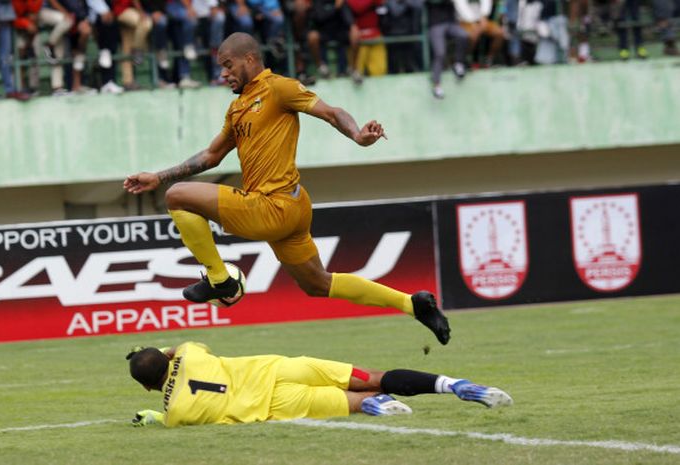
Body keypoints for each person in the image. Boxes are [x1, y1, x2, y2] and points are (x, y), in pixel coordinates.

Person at [123, 32, 451, 346]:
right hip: (292, 207)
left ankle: (220, 280)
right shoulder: (237, 108)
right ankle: (413, 304)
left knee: (177, 196)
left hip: (271, 206)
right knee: (318, 284)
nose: (223, 74)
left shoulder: (279, 88)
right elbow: (211, 155)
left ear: (249, 59)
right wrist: (158, 175)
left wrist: (357, 136)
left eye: (227, 65)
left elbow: (332, 112)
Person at [127, 343, 513, 427]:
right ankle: (454, 385)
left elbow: (163, 416)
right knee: (372, 377)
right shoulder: (191, 354)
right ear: (167, 358)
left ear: (147, 388)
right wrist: (162, 350)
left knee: (357, 401)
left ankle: (377, 406)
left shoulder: (176, 414)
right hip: (286, 368)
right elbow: (177, 348)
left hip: (277, 403)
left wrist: (151, 415)